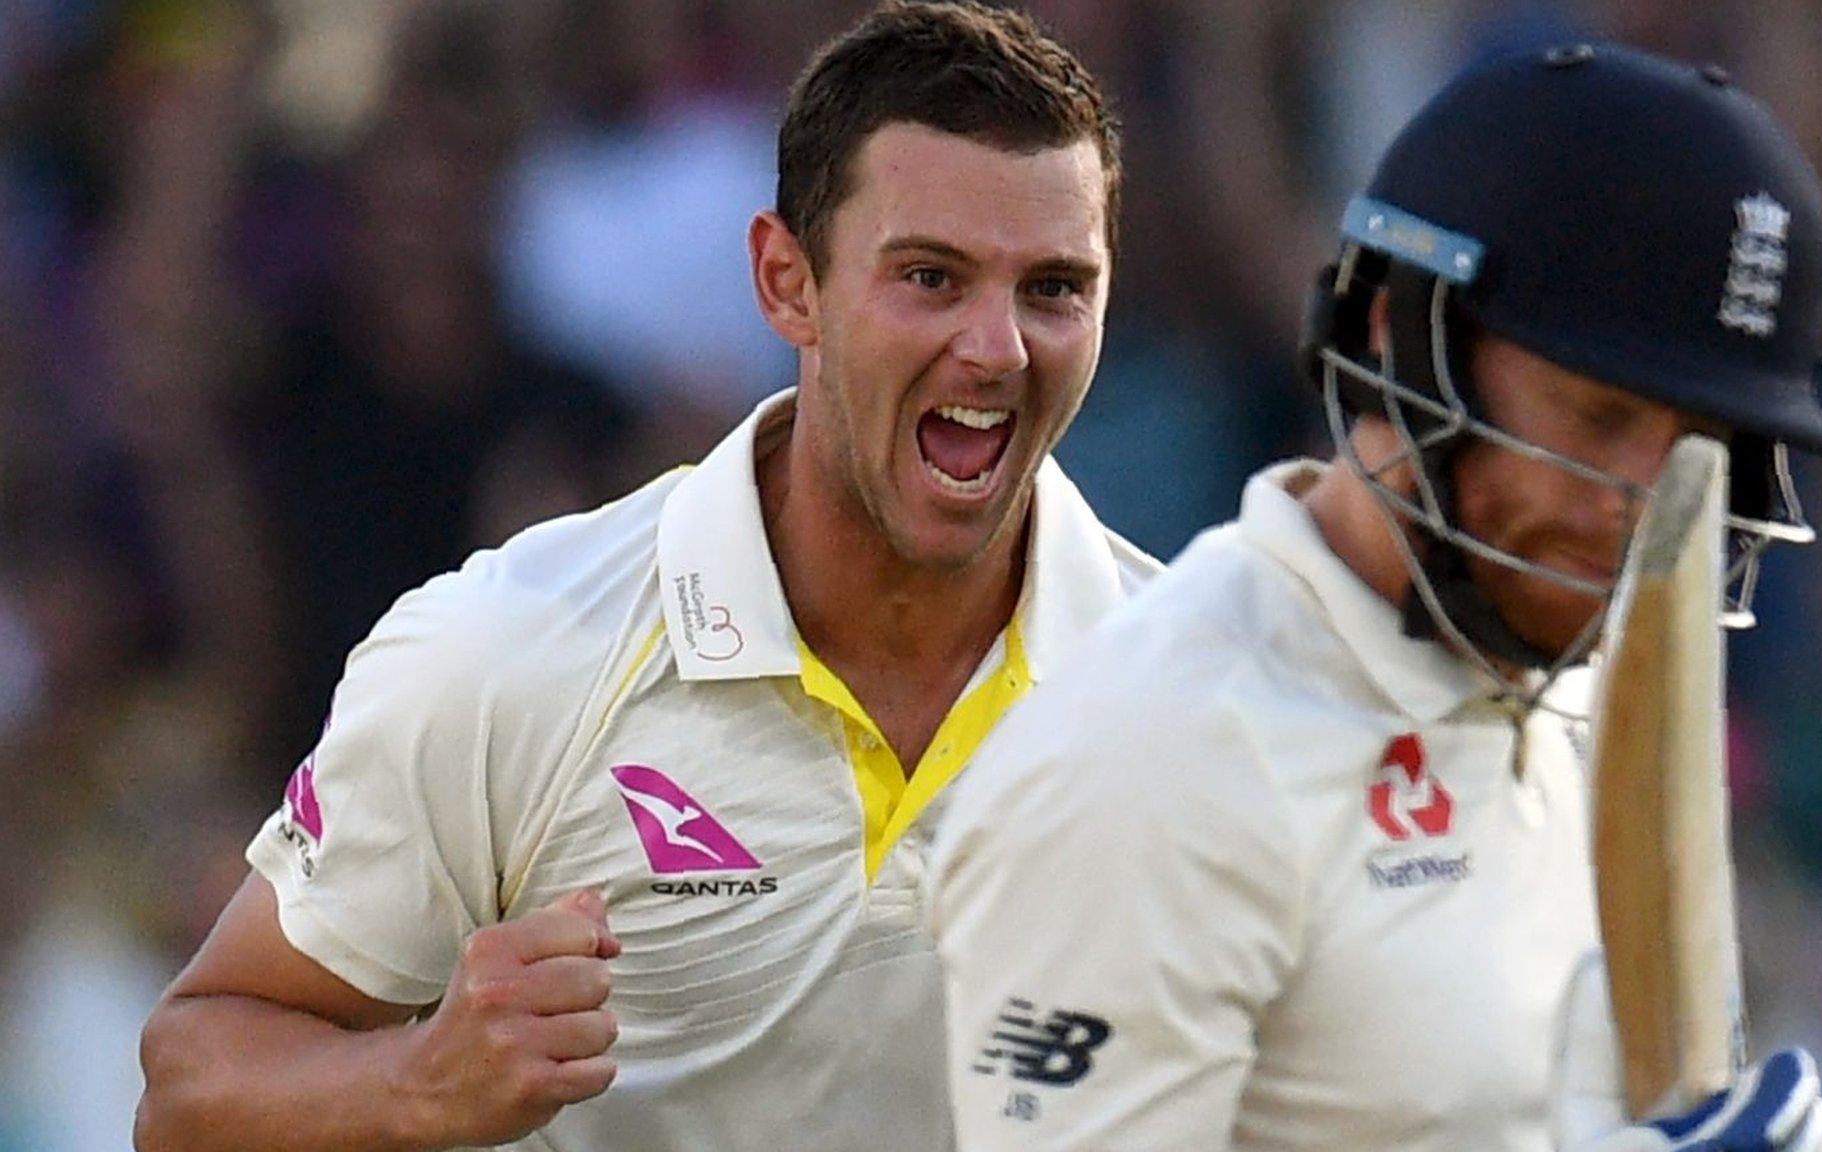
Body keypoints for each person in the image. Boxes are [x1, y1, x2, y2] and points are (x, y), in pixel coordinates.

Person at [134, 4, 1152, 1150]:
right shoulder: (509, 651)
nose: (997, 348)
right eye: (930, 276)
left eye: (1054, 289)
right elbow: (190, 1088)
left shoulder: (1202, 699)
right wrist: (417, 1080)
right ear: (786, 283)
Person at [929, 43, 1822, 1152]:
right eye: (1597, 418)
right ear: (1396, 340)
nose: (1642, 512)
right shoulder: (1152, 757)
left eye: (1702, 450)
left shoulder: (1603, 697)